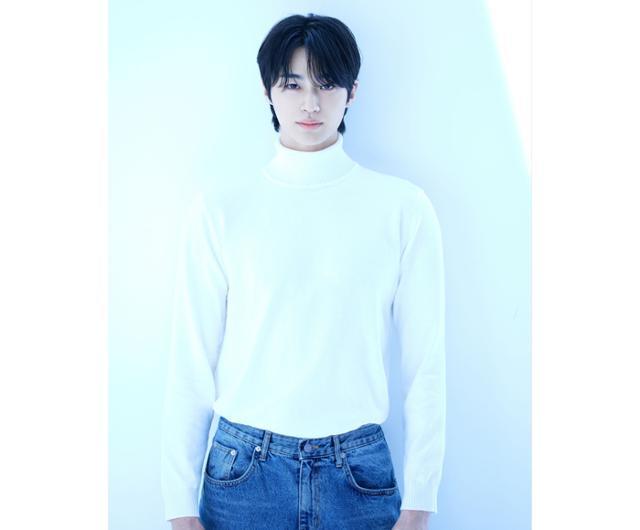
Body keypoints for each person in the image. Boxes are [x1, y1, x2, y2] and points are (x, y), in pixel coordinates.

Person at [161, 13, 446, 530]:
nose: (310, 104)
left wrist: (421, 502)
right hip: (244, 474)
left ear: (352, 92)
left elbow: (425, 363)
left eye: (327, 84)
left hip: (358, 474)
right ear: (267, 91)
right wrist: (179, 509)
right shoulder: (221, 209)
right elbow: (191, 362)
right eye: (292, 85)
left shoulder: (402, 208)